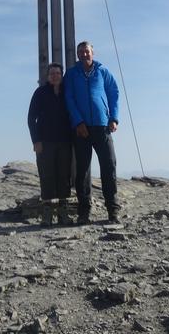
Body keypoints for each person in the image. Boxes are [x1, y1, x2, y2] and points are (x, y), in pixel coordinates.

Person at [64, 41, 120, 224]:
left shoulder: (103, 71)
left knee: (109, 166)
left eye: (86, 51)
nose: (84, 55)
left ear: (93, 53)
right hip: (81, 129)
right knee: (83, 171)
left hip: (102, 126)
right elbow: (69, 98)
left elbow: (113, 93)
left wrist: (114, 117)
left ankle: (113, 210)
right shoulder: (72, 74)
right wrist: (78, 121)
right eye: (80, 52)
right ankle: (84, 212)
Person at [27, 62, 73, 226]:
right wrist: (36, 141)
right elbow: (31, 118)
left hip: (65, 141)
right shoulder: (40, 93)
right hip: (45, 142)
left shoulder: (67, 93)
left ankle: (63, 213)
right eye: (52, 73)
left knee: (64, 176)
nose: (55, 76)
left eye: (58, 73)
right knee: (46, 176)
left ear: (61, 75)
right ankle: (47, 214)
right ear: (47, 77)